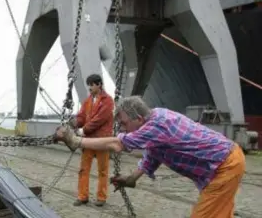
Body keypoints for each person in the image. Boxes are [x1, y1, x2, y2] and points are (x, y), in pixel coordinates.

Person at [55, 96, 245, 217]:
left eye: (123, 123)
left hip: (224, 166)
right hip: (226, 160)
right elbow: (153, 155)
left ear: (138, 119)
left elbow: (117, 144)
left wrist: (76, 140)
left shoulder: (156, 126)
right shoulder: (157, 117)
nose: (121, 128)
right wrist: (132, 178)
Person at [69, 74, 114, 207]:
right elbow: (82, 116)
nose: (89, 87)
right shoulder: (87, 101)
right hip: (88, 140)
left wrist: (83, 130)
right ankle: (82, 196)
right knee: (83, 169)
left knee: (103, 170)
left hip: (102, 140)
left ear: (99, 84)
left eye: (91, 85)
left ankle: (101, 197)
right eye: (88, 85)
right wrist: (75, 122)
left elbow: (100, 119)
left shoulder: (108, 101)